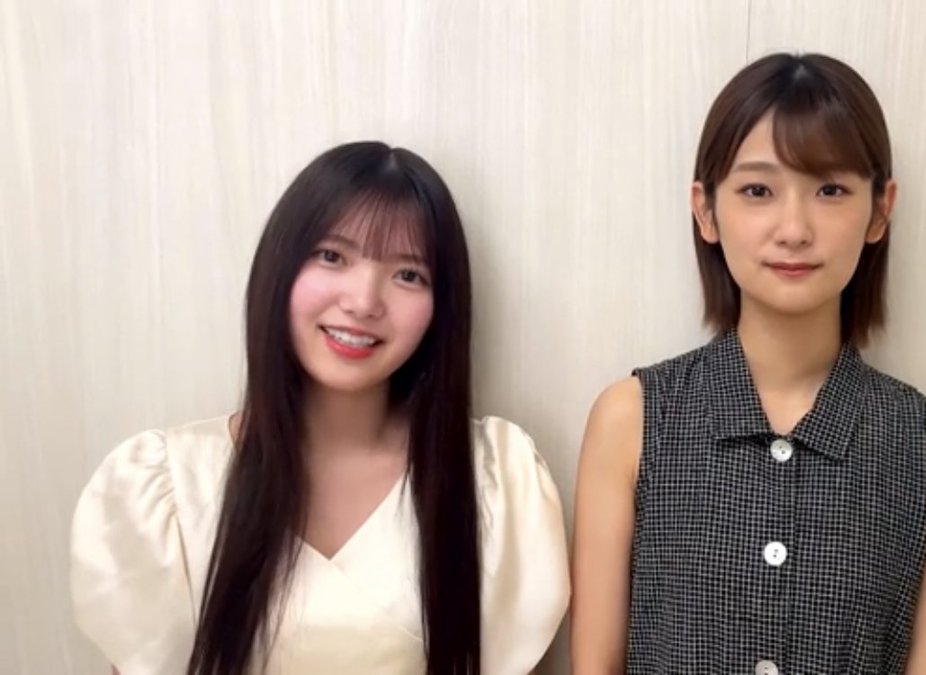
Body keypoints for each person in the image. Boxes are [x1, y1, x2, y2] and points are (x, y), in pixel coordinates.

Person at [70, 141, 570, 675]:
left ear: (440, 308)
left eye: (408, 274)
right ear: (280, 267)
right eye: (333, 256)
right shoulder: (166, 488)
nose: (363, 301)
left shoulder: (495, 481)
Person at [571, 53, 926, 674]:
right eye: (758, 190)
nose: (794, 228)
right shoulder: (633, 420)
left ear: (880, 210)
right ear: (706, 210)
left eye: (830, 189)